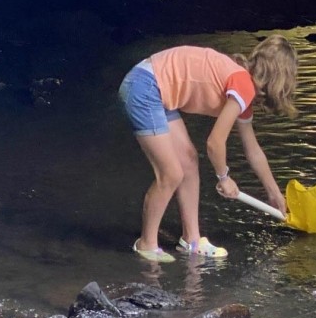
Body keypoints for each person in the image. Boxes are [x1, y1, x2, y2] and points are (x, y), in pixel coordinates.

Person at [118, 35, 297, 263]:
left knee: (189, 161)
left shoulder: (243, 88)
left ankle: (191, 240)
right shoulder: (242, 84)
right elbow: (214, 142)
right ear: (280, 78)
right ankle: (146, 243)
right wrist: (224, 177)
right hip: (145, 86)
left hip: (156, 90)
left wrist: (274, 193)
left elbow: (253, 150)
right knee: (171, 173)